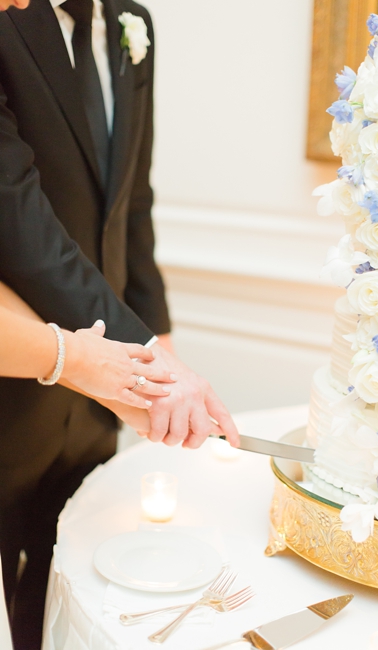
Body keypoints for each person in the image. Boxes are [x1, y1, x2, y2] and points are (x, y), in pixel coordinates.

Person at [0, 1, 238, 646]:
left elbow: (132, 201)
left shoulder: (134, 24)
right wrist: (144, 358)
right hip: (20, 361)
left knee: (67, 570)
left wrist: (157, 346)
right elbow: (16, 214)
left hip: (103, 373)